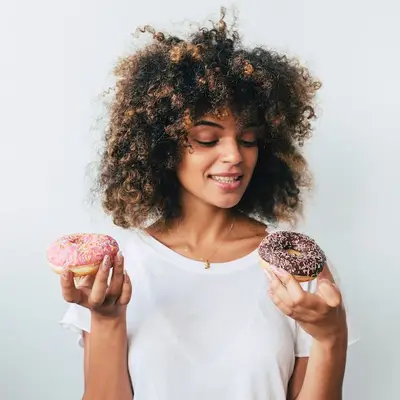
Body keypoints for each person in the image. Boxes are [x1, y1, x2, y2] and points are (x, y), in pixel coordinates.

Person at [59, 8, 358, 400]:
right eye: (206, 138)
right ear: (162, 146)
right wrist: (107, 317)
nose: (235, 155)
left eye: (248, 138)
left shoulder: (293, 266)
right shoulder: (117, 268)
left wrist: (332, 336)